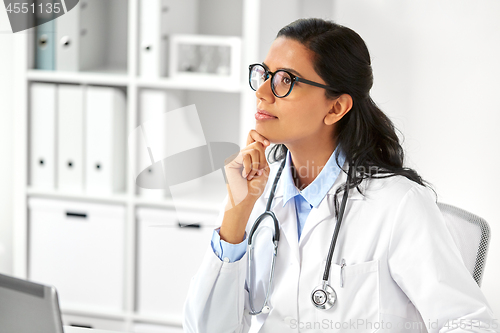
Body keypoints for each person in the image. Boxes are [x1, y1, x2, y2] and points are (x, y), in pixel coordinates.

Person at [183, 18, 497, 333]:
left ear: (335, 108)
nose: (262, 92)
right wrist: (235, 215)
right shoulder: (254, 189)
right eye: (263, 75)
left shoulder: (399, 204)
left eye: (285, 80)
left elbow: (470, 323)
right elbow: (207, 329)